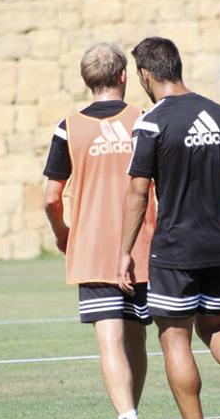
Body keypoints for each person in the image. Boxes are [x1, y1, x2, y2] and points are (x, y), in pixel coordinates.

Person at [119, 37, 220, 419]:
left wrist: (124, 251)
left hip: (176, 249)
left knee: (175, 339)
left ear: (145, 74)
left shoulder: (151, 122)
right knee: (215, 327)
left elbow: (138, 193)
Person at [43, 42, 157, 419]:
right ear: (124, 75)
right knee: (137, 335)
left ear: (87, 80)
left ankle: (128, 415)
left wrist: (63, 231)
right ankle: (132, 408)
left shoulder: (69, 128)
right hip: (142, 246)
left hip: (92, 249)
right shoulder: (145, 119)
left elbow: (50, 197)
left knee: (109, 339)